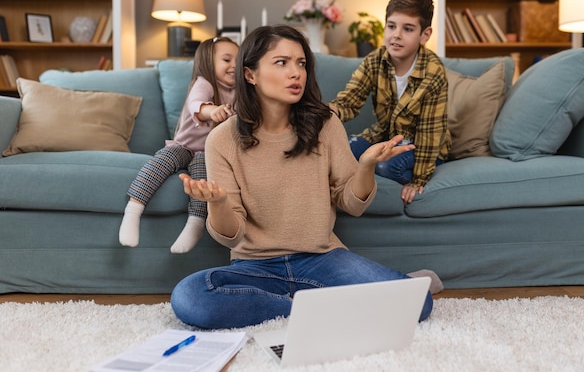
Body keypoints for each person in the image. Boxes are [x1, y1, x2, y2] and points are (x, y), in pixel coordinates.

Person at [170, 24, 433, 330]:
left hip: (322, 258)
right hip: (255, 267)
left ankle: (310, 303)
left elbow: (353, 203)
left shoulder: (326, 123)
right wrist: (219, 203)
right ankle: (307, 307)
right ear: (250, 74)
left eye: (301, 63)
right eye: (281, 63)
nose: (296, 73)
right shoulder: (221, 139)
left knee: (419, 304)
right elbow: (233, 233)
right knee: (190, 298)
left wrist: (365, 166)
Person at [329, 0, 451, 205]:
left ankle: (389, 172)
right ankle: (369, 169)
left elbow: (429, 133)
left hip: (419, 145)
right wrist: (331, 111)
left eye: (408, 29)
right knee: (342, 150)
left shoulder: (433, 72)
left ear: (425, 34)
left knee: (387, 166)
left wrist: (419, 179)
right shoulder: (374, 61)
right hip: (386, 136)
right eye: (392, 26)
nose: (396, 35)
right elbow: (350, 100)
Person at [118, 37, 239, 253]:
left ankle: (195, 224)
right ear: (208, 63)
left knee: (203, 179)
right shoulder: (204, 83)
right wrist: (213, 111)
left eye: (239, 60)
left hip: (208, 152)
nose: (234, 66)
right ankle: (133, 210)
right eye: (227, 59)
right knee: (161, 161)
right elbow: (196, 104)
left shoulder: (241, 91)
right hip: (183, 145)